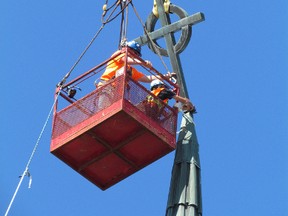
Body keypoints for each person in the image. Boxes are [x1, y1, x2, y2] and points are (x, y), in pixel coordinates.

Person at [95, 41, 174, 110]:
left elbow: (147, 78)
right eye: (134, 53)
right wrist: (142, 62)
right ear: (128, 49)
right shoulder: (119, 55)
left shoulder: (130, 69)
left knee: (113, 109)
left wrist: (164, 77)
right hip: (106, 86)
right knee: (103, 109)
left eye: (136, 54)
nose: (134, 55)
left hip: (117, 92)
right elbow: (126, 59)